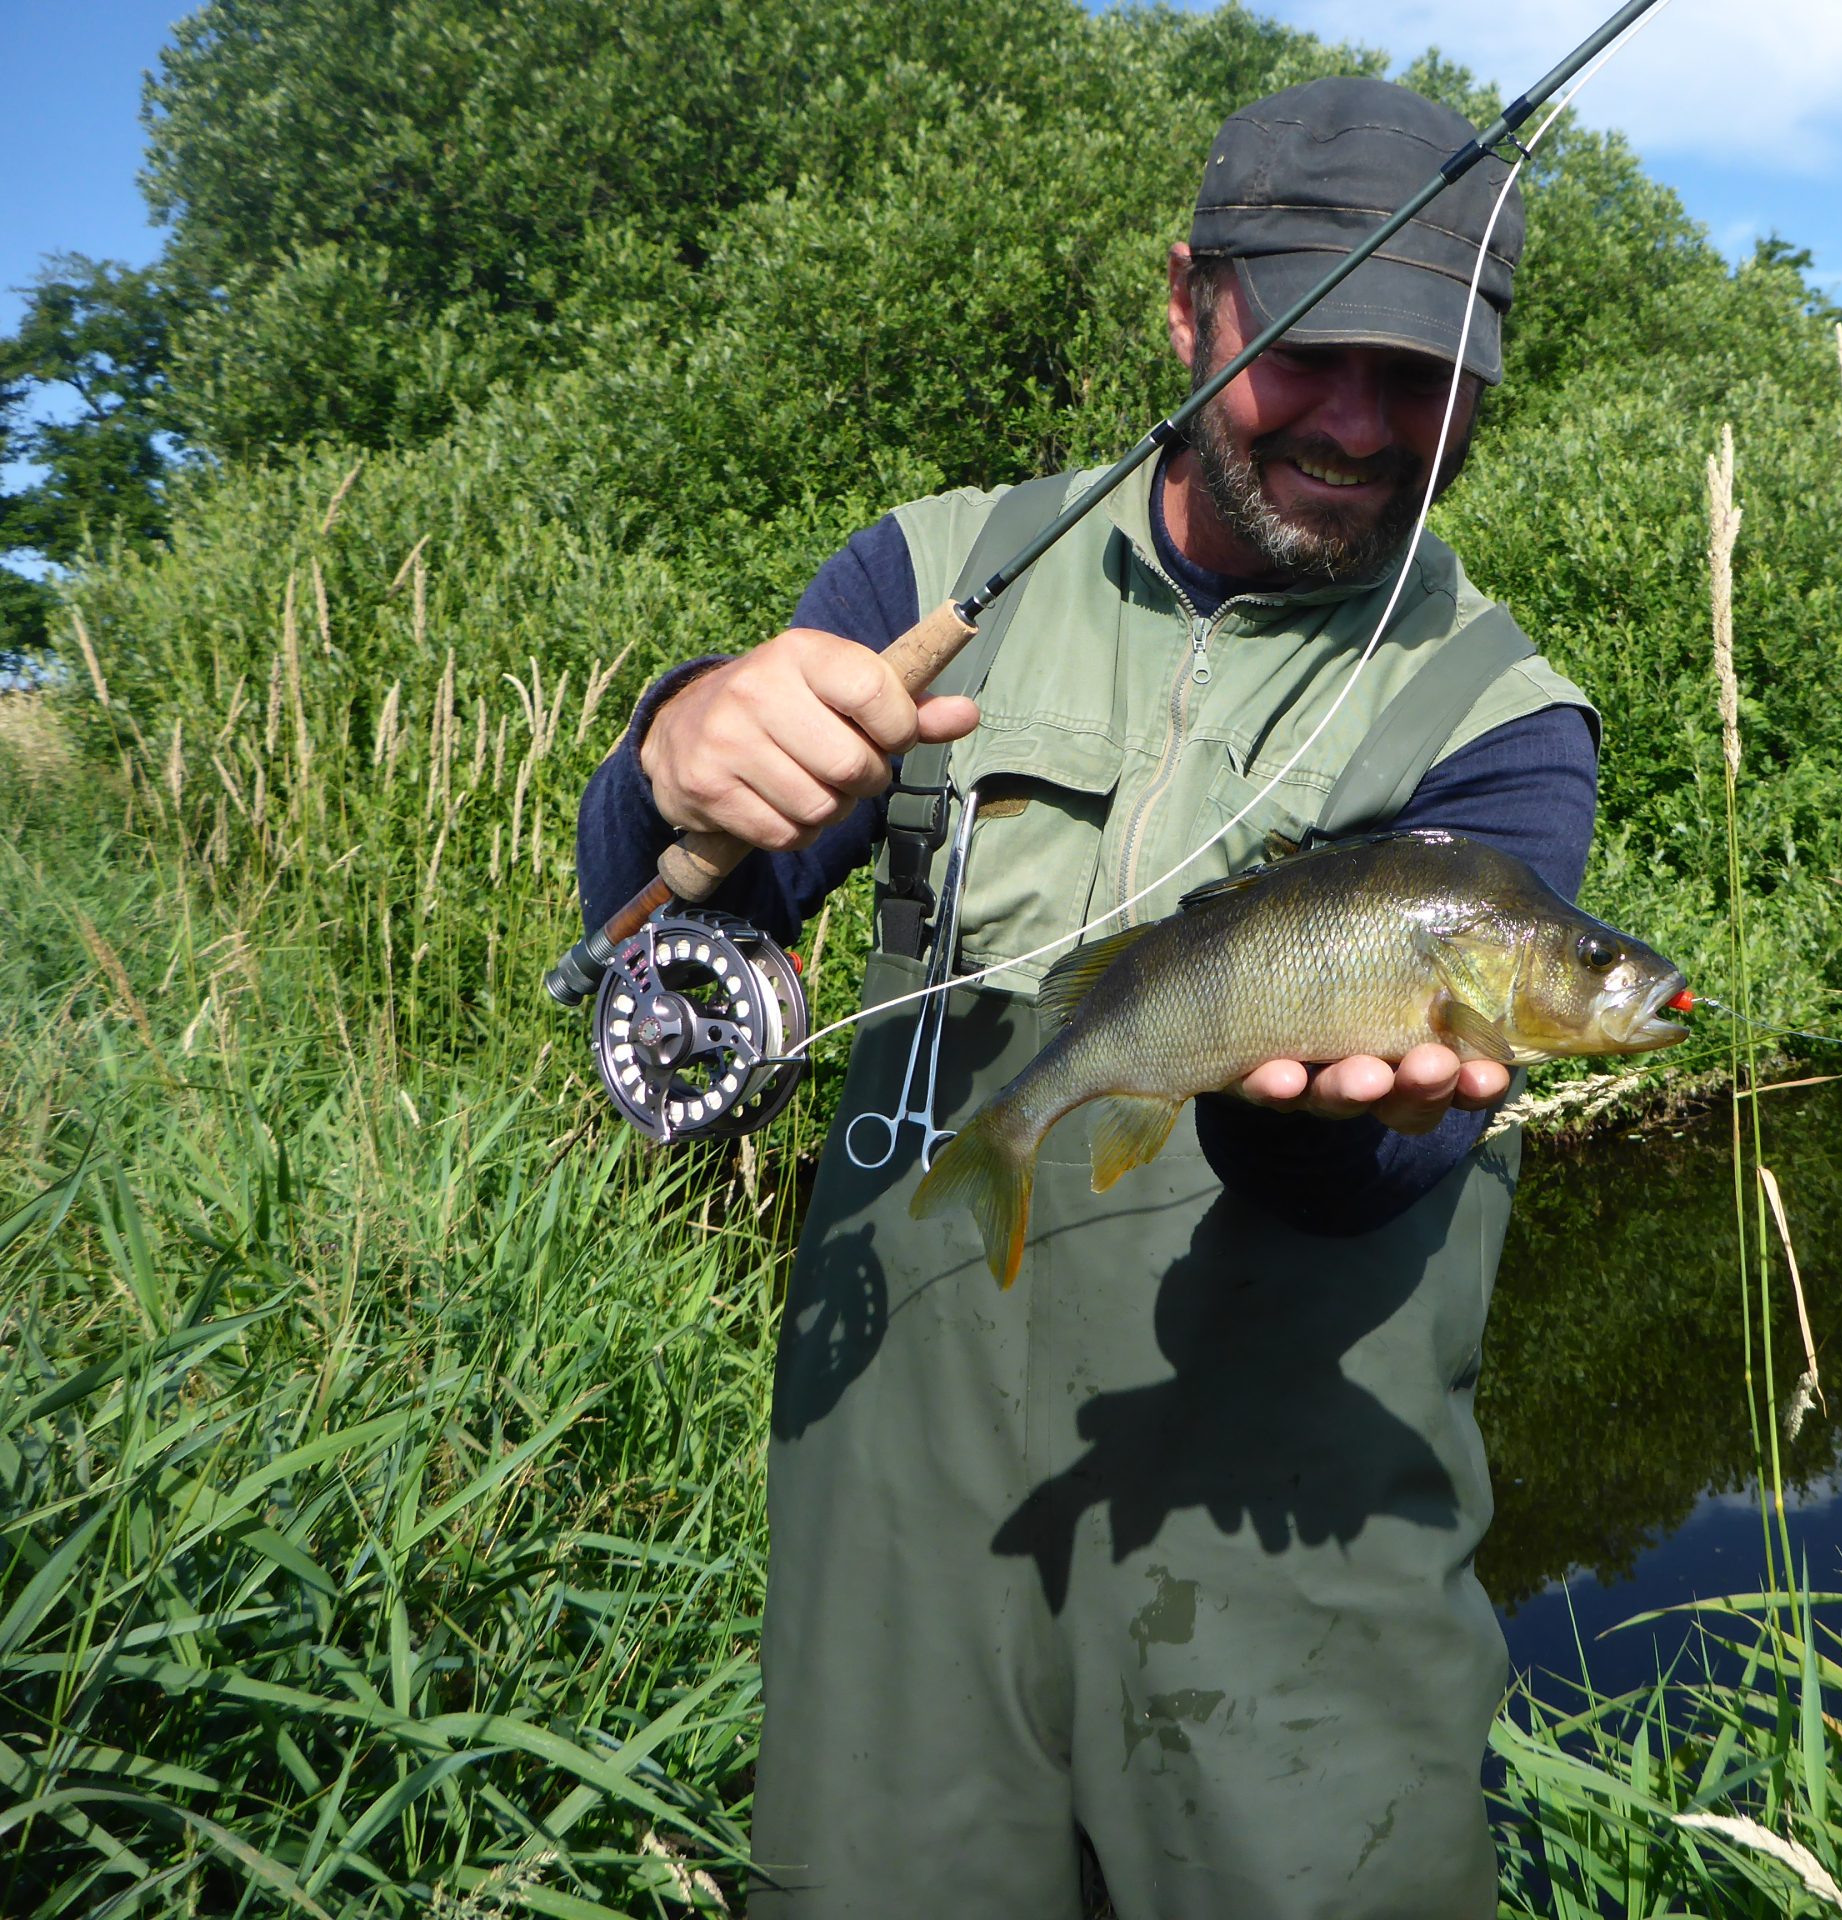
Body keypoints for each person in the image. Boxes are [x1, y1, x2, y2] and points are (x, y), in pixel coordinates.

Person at [576, 76, 1598, 1920]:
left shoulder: (1501, 720)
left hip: (1293, 1556)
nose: (1362, 425)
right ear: (1192, 301)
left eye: (1425, 374)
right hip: (898, 1522)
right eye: (1315, 346)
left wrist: (1331, 1128)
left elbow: (1380, 1179)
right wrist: (671, 759)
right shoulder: (933, 572)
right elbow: (680, 940)